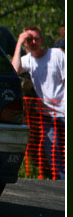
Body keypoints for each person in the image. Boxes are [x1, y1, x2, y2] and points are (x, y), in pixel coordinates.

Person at [12, 26, 66, 180]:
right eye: (29, 40)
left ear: (42, 40)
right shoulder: (28, 60)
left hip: (64, 110)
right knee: (52, 148)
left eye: (36, 39)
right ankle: (62, 181)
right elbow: (14, 70)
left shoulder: (56, 54)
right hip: (47, 114)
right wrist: (19, 42)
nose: (33, 42)